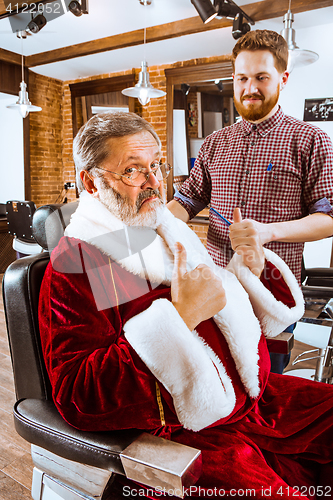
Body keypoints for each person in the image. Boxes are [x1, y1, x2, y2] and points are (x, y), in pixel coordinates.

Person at [39, 111, 333, 499]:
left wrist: (251, 272)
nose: (154, 183)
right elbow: (81, 395)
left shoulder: (166, 228)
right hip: (189, 432)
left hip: (258, 401)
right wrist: (181, 317)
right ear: (91, 183)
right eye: (133, 170)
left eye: (155, 165)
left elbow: (222, 314)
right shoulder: (80, 263)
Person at [167, 29, 333, 374]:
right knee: (215, 372)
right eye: (242, 78)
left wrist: (268, 232)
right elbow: (187, 199)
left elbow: (328, 217)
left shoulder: (311, 140)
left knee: (263, 378)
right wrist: (147, 226)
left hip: (272, 290)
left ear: (283, 79)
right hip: (215, 285)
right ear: (233, 78)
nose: (250, 88)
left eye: (261, 77)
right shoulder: (215, 142)